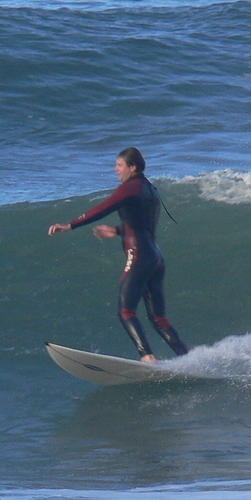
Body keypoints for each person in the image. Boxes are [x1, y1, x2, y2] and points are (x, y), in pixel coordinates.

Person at [48, 147, 188, 362]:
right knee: (158, 318)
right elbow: (143, 225)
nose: (116, 169)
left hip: (139, 255)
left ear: (133, 167)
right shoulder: (149, 189)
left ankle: (147, 357)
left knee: (126, 311)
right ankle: (188, 358)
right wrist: (116, 230)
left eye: (119, 165)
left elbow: (103, 208)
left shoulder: (129, 188)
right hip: (156, 257)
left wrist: (70, 225)